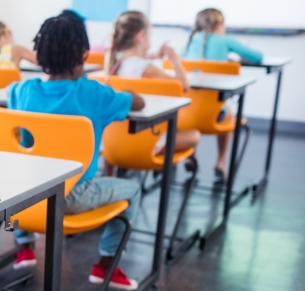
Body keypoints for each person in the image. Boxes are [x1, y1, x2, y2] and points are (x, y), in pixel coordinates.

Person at [8, 10, 144, 290]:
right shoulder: (94, 94)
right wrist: (128, 91)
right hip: (73, 195)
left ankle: (25, 248)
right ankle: (106, 266)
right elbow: (137, 104)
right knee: (132, 190)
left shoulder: (20, 91)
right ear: (83, 54)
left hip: (26, 198)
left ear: (40, 55)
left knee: (26, 171)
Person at [104, 10, 200, 175]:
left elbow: (135, 63)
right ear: (141, 36)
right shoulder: (145, 68)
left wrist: (153, 56)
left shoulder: (112, 65)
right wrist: (174, 59)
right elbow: (183, 85)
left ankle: (109, 174)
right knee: (195, 135)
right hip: (146, 142)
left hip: (113, 145)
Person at [185, 8, 263, 183]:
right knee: (226, 109)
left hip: (185, 115)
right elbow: (257, 57)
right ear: (220, 24)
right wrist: (229, 63)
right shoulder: (225, 40)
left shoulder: (190, 41)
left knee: (196, 106)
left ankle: (191, 156)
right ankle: (220, 162)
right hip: (215, 117)